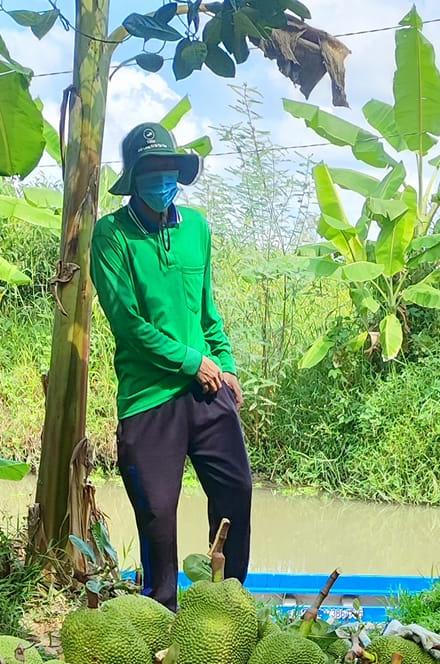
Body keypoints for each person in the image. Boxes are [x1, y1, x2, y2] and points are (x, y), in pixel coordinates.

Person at [90, 122, 252, 610]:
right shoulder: (112, 235)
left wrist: (223, 363)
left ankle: (227, 608)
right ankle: (162, 616)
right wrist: (192, 362)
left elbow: (207, 310)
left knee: (236, 492)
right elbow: (130, 324)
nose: (162, 180)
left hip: (208, 388)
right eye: (151, 171)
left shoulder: (197, 229)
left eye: (169, 170)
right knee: (158, 514)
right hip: (149, 398)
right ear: (134, 177)